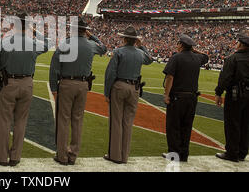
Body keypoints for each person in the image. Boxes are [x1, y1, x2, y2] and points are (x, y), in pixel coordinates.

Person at [0, 13, 50, 167]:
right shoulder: (34, 43)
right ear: (28, 27)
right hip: (27, 84)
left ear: (13, 26)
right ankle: (15, 156)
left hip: (8, 84)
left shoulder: (3, 42)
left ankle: (1, 156)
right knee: (21, 121)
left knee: (5, 121)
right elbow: (48, 44)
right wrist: (34, 31)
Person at [49, 18, 107, 165]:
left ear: (73, 30)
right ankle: (73, 154)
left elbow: (54, 67)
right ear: (84, 31)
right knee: (77, 120)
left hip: (66, 84)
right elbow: (104, 47)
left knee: (63, 120)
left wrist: (54, 88)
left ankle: (61, 155)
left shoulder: (65, 43)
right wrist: (91, 35)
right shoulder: (91, 45)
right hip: (83, 85)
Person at [103, 26, 153, 164]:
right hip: (134, 88)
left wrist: (107, 92)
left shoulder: (118, 51)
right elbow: (150, 59)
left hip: (119, 86)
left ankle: (115, 155)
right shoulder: (140, 53)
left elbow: (111, 73)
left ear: (124, 39)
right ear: (135, 40)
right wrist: (142, 46)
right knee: (128, 122)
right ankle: (124, 156)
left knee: (116, 121)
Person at [162, 34, 209, 162]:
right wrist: (194, 50)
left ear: (181, 45)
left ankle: (174, 155)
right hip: (192, 98)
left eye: (178, 44)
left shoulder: (176, 57)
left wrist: (166, 95)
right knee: (186, 127)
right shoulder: (197, 58)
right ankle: (184, 155)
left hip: (177, 97)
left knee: (173, 127)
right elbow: (206, 57)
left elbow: (170, 77)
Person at [215, 31, 249, 162]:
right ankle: (242, 152)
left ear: (240, 44)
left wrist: (218, 92)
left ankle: (232, 153)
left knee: (232, 123)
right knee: (245, 124)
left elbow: (225, 78)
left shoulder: (233, 58)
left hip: (236, 95)